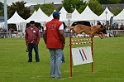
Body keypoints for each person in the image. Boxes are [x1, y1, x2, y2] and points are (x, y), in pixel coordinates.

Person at [43, 11, 65, 78]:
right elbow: (61, 33)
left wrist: (46, 41)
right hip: (57, 43)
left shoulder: (47, 24)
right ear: (58, 16)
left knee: (52, 59)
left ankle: (52, 74)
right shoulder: (60, 23)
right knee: (58, 59)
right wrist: (63, 42)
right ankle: (57, 75)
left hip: (50, 43)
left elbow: (44, 34)